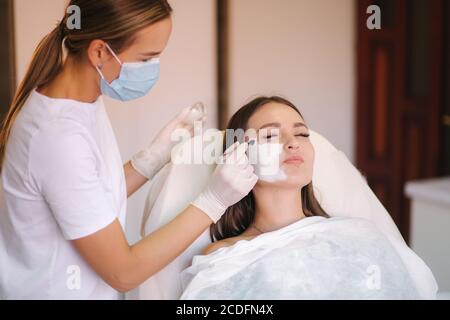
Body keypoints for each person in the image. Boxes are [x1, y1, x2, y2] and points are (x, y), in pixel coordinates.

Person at [0, 0, 257, 299]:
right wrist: (213, 202)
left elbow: (88, 199)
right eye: (147, 58)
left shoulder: (82, 98)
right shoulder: (56, 136)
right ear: (99, 52)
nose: (153, 69)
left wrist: (151, 159)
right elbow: (124, 272)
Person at [180, 96, 437, 300]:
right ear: (238, 157)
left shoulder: (359, 234)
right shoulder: (227, 257)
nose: (293, 143)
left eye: (302, 134)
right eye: (270, 136)